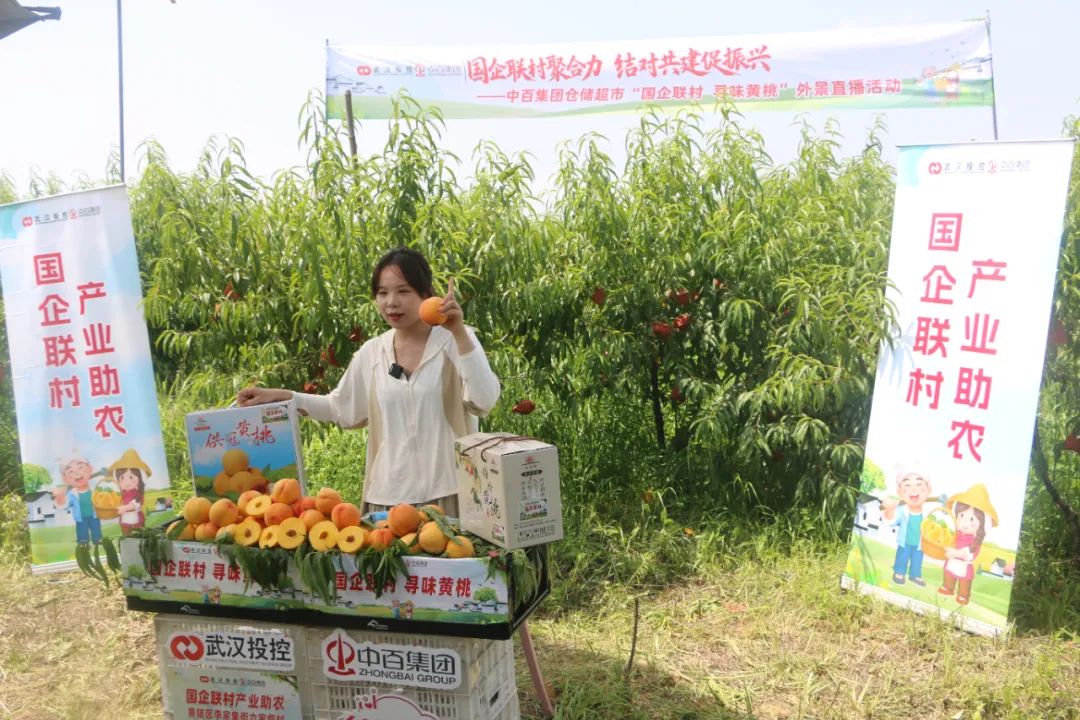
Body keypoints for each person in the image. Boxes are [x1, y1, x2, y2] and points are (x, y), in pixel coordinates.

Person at [237, 247, 500, 517]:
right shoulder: (373, 353)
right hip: (389, 499)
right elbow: (339, 408)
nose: (391, 302)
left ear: (426, 294)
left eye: (403, 291)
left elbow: (485, 399)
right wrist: (283, 396)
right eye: (382, 293)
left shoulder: (455, 341)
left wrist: (458, 332)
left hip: (451, 492)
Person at [880, 468, 944, 586]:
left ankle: (915, 575)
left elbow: (932, 526)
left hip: (920, 544)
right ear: (899, 492)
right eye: (907, 485)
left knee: (917, 559)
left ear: (928, 490)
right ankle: (899, 572)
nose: (914, 489)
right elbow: (891, 521)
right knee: (902, 557)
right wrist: (890, 509)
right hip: (905, 541)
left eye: (919, 484)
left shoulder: (927, 512)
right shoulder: (901, 510)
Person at [938, 483, 998, 605]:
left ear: (982, 525)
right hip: (952, 562)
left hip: (964, 566)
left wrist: (956, 553)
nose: (964, 523)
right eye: (961, 515)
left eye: (971, 519)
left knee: (964, 581)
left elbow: (969, 553)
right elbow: (948, 542)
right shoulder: (956, 534)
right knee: (949, 574)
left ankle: (963, 595)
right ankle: (948, 587)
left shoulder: (975, 541)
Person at [110, 448, 151, 535]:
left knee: (140, 536)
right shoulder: (121, 495)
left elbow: (136, 504)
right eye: (122, 478)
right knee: (127, 537)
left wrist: (125, 508)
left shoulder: (138, 493)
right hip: (125, 522)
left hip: (137, 521)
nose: (126, 482)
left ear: (140, 479)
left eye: (131, 477)